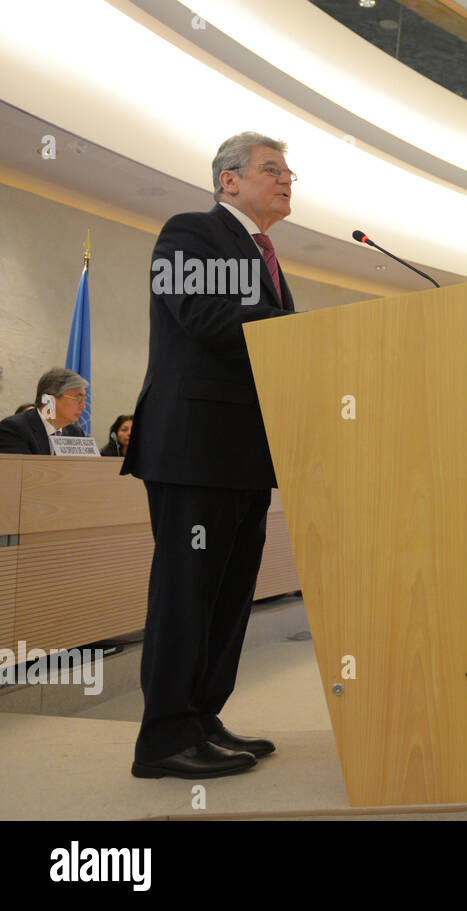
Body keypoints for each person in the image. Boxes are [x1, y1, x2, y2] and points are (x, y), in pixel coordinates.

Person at [123, 132, 296, 780]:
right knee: (186, 594)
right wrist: (304, 332)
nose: (288, 180)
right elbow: (202, 315)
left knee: (227, 598)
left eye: (288, 172)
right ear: (229, 181)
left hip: (246, 455)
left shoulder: (266, 253)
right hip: (194, 446)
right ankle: (163, 736)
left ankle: (200, 717)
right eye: (272, 169)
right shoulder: (189, 232)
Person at [0, 368, 88, 454]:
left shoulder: (76, 433)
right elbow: (22, 468)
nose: (83, 407)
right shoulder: (14, 429)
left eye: (84, 399)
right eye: (78, 398)